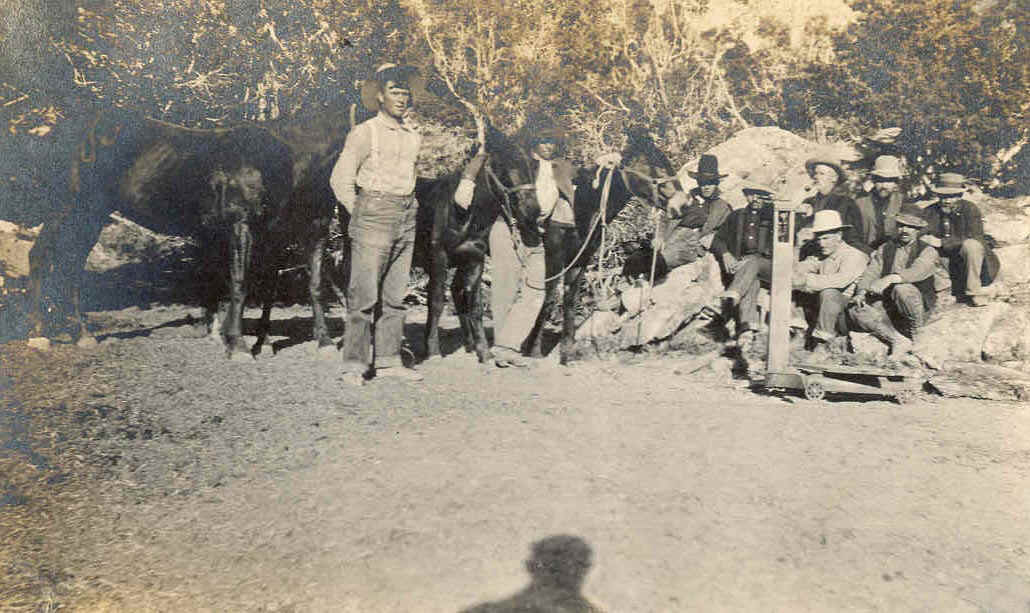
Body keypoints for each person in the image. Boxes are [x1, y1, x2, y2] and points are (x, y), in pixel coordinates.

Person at [329, 64, 424, 384]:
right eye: (394, 92)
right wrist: (360, 212)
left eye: (405, 93)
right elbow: (340, 179)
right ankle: (354, 365)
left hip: (406, 214)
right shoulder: (364, 132)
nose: (401, 98)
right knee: (364, 295)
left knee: (395, 295)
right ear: (380, 96)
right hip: (373, 213)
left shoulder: (413, 136)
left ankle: (388, 360)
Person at [489, 124, 574, 367]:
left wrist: (605, 162)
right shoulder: (520, 162)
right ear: (533, 142)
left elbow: (587, 176)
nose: (549, 146)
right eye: (544, 140)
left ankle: (507, 345)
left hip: (536, 233)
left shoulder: (560, 168)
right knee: (505, 287)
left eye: (552, 141)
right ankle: (503, 347)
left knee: (536, 289)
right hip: (508, 228)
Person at [847, 205, 938, 356]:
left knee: (902, 289)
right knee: (856, 308)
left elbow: (917, 271)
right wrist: (861, 292)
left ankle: (917, 333)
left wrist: (890, 278)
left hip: (915, 304)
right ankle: (897, 340)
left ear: (918, 230)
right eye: (901, 225)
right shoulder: (886, 248)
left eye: (910, 227)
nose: (905, 230)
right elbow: (872, 272)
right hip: (888, 303)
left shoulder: (927, 250)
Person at [793, 210, 869, 358]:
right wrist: (797, 248)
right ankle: (798, 333)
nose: (821, 243)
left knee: (829, 292)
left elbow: (839, 281)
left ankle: (823, 344)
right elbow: (802, 267)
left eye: (826, 238)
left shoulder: (854, 256)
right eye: (819, 239)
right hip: (822, 311)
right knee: (792, 286)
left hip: (846, 315)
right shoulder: (823, 254)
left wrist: (805, 280)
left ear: (839, 236)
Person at [710, 181, 778, 344]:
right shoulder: (737, 215)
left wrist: (775, 205)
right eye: (751, 194)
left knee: (752, 261)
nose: (755, 198)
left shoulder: (775, 215)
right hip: (745, 270)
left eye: (760, 195)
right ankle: (748, 330)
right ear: (746, 196)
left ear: (767, 198)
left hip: (770, 267)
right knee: (752, 282)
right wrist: (725, 254)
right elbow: (717, 239)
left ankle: (732, 296)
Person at [921, 172, 1000, 307]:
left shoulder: (970, 209)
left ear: (960, 195)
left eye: (952, 196)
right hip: (947, 260)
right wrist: (924, 237)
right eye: (943, 196)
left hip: (973, 261)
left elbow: (975, 237)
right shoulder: (931, 211)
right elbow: (921, 231)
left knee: (971, 245)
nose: (947, 200)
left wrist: (942, 242)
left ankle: (974, 292)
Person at [655, 153, 732, 271]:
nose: (706, 187)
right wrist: (659, 237)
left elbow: (724, 233)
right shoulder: (686, 198)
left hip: (691, 245)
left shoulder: (723, 207)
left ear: (716, 183)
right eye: (703, 183)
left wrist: (705, 243)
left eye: (710, 183)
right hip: (671, 238)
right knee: (639, 259)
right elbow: (665, 217)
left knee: (661, 260)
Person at [799, 157, 869, 255]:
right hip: (809, 256)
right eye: (815, 173)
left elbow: (852, 238)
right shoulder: (808, 202)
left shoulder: (846, 203)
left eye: (821, 174)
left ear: (834, 178)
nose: (816, 177)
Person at [854, 155, 904, 248]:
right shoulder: (859, 204)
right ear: (874, 181)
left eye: (889, 181)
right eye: (880, 180)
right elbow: (853, 237)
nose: (884, 185)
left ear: (896, 183)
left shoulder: (903, 203)